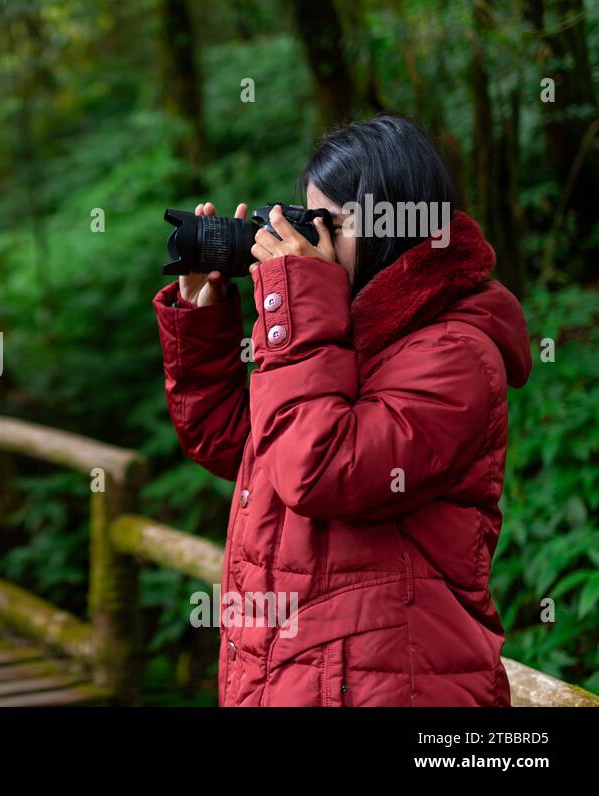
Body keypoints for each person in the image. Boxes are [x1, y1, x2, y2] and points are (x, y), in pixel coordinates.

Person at [153, 114, 531, 706]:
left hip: (394, 685)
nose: (313, 240)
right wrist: (204, 320)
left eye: (333, 223)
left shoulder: (457, 351)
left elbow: (321, 469)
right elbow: (243, 447)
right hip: (300, 676)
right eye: (310, 219)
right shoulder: (341, 331)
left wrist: (297, 301)